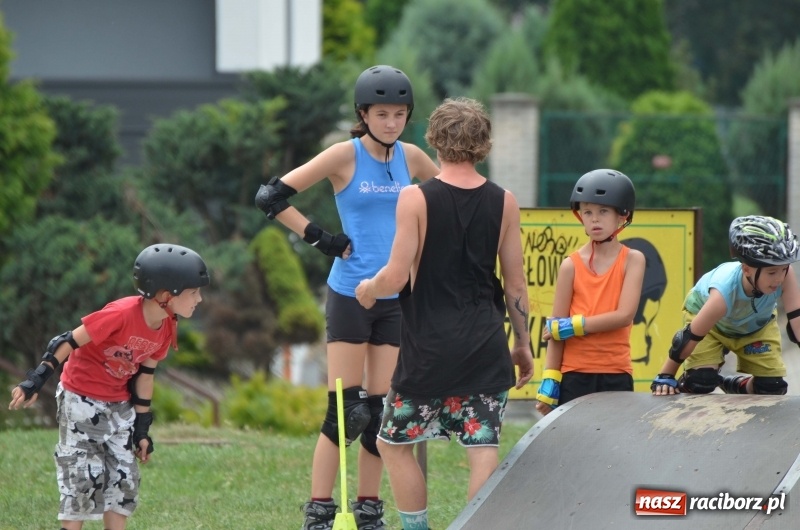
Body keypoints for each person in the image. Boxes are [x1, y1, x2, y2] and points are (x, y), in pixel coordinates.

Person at [255, 64, 440, 530]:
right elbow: (270, 197)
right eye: (382, 114)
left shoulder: (413, 158)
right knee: (345, 412)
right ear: (363, 113)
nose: (392, 123)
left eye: (400, 114)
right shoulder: (344, 155)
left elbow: (448, 201)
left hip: (396, 298)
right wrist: (320, 238)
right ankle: (319, 512)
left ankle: (368, 511)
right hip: (349, 293)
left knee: (379, 413)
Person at [355, 97, 533, 530]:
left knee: (394, 445)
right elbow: (515, 285)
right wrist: (523, 344)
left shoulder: (414, 198)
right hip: (485, 345)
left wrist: (367, 289)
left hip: (428, 350)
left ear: (433, 140)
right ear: (484, 144)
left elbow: (396, 277)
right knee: (482, 446)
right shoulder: (504, 201)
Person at [8, 243, 209, 530]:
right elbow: (66, 341)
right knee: (81, 477)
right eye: (194, 292)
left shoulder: (167, 326)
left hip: (120, 405)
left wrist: (142, 429)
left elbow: (145, 375)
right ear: (167, 296)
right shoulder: (121, 313)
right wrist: (35, 380)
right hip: (81, 399)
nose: (200, 299)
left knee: (124, 480)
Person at [534, 169, 645, 416]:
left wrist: (573, 326)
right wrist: (550, 380)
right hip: (574, 374)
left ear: (622, 215)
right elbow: (555, 329)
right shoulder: (570, 265)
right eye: (588, 212)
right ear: (580, 216)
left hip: (616, 373)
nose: (595, 219)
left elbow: (624, 315)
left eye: (603, 211)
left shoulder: (633, 260)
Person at [651, 215, 800, 396]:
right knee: (701, 382)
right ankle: (690, 380)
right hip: (712, 327)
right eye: (772, 272)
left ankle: (739, 385)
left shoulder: (785, 276)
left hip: (755, 325)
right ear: (746, 269)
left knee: (772, 388)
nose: (779, 278)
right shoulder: (723, 293)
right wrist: (666, 374)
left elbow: (797, 323)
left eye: (784, 269)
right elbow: (690, 336)